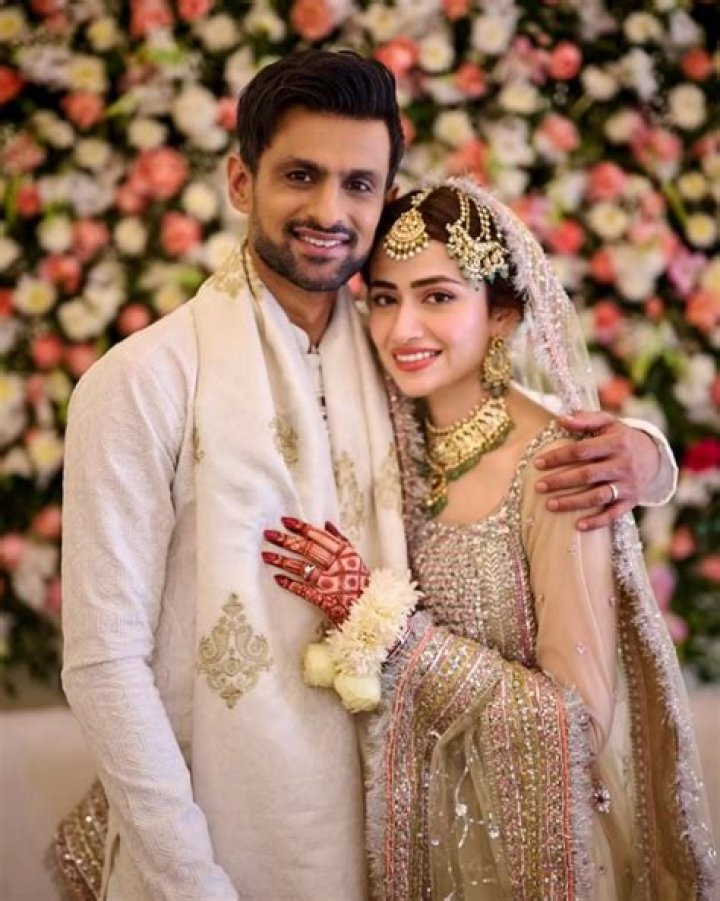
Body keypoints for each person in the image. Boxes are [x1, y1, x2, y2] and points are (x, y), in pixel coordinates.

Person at [55, 51, 681, 900]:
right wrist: (189, 882)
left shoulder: (388, 353)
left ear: (385, 197)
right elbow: (103, 664)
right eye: (300, 175)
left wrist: (643, 452)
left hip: (395, 850)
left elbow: (497, 412)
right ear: (241, 181)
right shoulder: (140, 382)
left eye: (357, 184)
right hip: (223, 843)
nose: (328, 210)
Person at [262, 181, 716, 899]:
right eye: (384, 298)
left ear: (501, 313)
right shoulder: (384, 429)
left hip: (513, 852)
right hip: (396, 825)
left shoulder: (557, 471)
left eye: (438, 297)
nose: (403, 329)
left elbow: (578, 722)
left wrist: (391, 635)